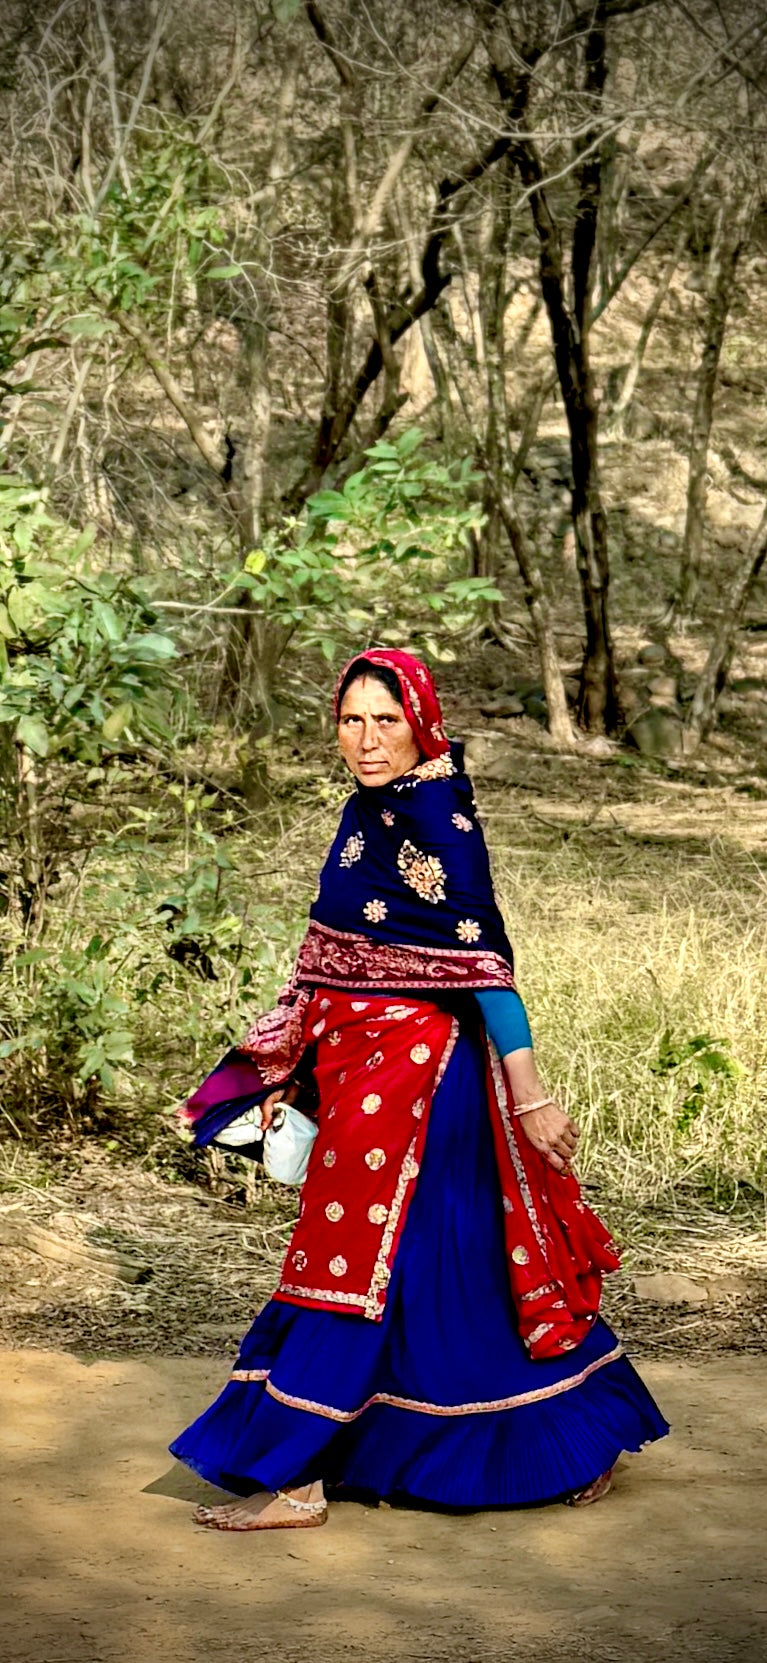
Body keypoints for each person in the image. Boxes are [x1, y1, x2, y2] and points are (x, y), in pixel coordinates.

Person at [171, 648, 668, 1530]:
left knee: (350, 1262)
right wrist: (298, 1076)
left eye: (384, 721)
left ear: (422, 724)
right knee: (445, 1271)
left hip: (419, 1084)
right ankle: (575, 1433)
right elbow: (338, 962)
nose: (364, 739)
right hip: (364, 1074)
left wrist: (530, 1097)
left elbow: (484, 969)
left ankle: (298, 1476)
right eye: (350, 719)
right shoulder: (372, 808)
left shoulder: (436, 815)